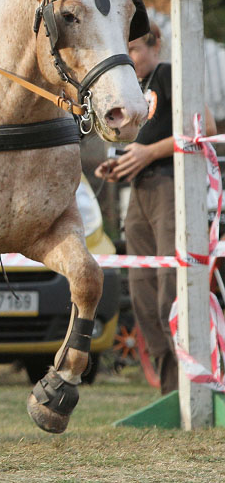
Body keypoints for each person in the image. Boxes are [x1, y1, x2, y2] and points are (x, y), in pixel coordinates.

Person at [94, 21, 217, 394]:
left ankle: (194, 385)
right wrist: (121, 164)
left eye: (134, 50)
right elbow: (135, 144)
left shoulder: (168, 76)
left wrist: (149, 153)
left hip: (172, 186)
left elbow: (206, 129)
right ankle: (169, 390)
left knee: (171, 291)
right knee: (143, 295)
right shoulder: (132, 88)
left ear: (155, 46)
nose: (129, 58)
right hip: (140, 192)